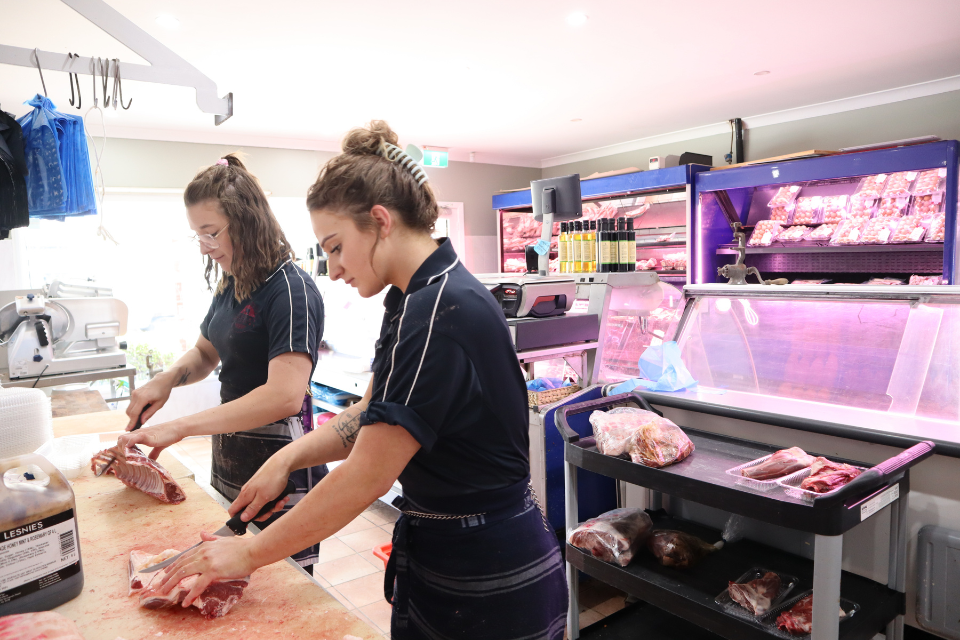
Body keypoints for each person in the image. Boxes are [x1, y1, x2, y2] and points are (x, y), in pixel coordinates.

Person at [152, 122, 568, 639]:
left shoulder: (439, 311)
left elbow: (369, 472)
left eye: (334, 246)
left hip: (488, 566)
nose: (332, 269)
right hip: (443, 550)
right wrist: (287, 457)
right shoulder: (412, 297)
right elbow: (367, 415)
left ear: (379, 221)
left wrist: (250, 552)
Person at [116, 154, 327, 571]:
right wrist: (166, 380)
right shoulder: (232, 283)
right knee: (226, 574)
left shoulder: (290, 290)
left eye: (211, 233)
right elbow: (204, 353)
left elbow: (283, 396)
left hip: (279, 459)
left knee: (279, 586)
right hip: (232, 452)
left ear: (248, 222)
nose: (205, 246)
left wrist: (179, 426)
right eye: (198, 235)